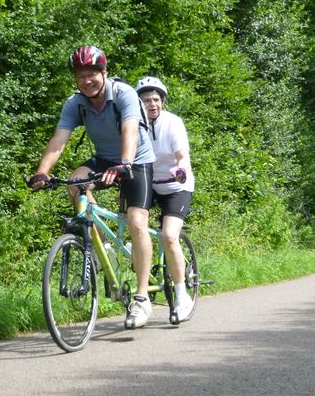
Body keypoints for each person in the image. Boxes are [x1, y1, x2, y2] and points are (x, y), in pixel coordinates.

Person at [27, 46, 156, 329]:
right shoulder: (75, 103)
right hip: (103, 159)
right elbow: (59, 139)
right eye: (80, 75)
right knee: (75, 184)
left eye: (92, 74)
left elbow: (131, 131)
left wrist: (123, 164)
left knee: (137, 222)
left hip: (136, 160)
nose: (86, 81)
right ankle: (103, 249)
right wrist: (41, 172)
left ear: (104, 73)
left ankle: (142, 297)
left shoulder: (124, 95)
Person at [135, 76, 195, 321]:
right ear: (138, 103)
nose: (152, 104)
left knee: (169, 236)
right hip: (147, 184)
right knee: (131, 227)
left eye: (156, 100)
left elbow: (182, 155)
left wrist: (180, 170)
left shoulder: (173, 123)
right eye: (146, 100)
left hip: (175, 185)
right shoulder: (133, 124)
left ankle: (182, 295)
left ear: (163, 101)